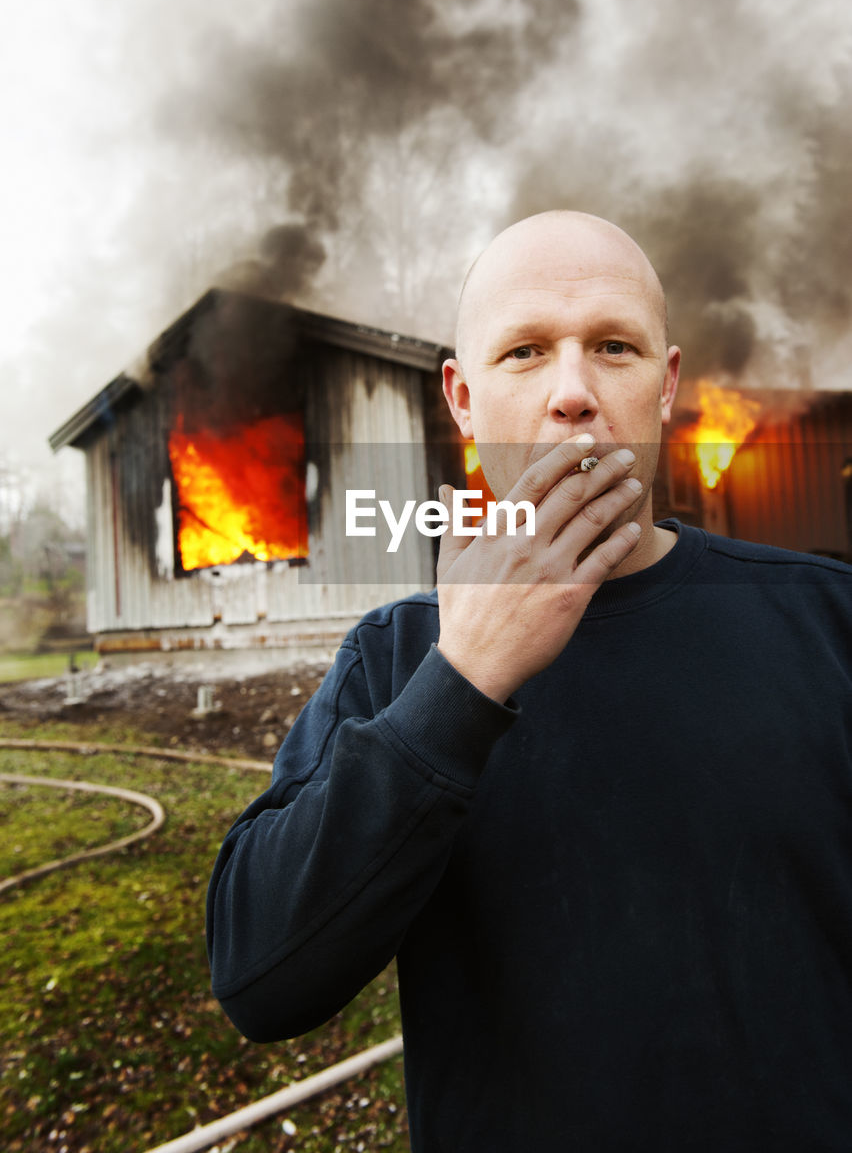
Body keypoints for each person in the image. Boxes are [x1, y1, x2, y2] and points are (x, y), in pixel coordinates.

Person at [206, 211, 852, 1152]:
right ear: (463, 401)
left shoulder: (828, 624)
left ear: (666, 385)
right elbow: (260, 979)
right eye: (525, 353)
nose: (573, 393)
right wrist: (461, 682)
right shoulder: (395, 660)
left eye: (614, 347)